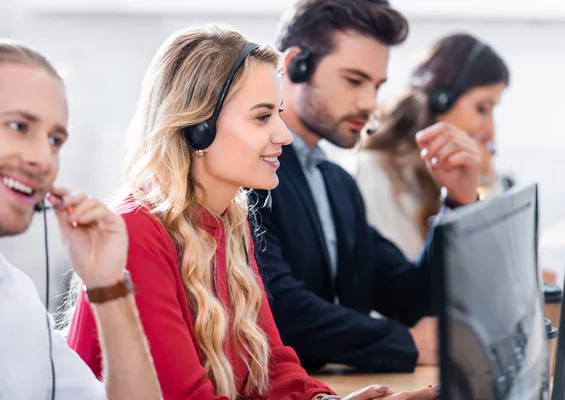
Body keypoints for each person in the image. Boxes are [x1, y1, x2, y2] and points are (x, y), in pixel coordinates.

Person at [64, 26, 440, 400]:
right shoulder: (137, 232)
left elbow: (273, 365)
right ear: (199, 126)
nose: (284, 135)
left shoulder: (229, 221)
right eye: (262, 117)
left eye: (278, 113)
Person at [250, 0, 482, 374]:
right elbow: (280, 310)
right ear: (294, 65)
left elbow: (410, 296)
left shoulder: (336, 183)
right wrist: (406, 342)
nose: (370, 103)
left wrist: (456, 201)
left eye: (377, 86)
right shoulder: (253, 174)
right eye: (354, 80)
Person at [0, 40, 161, 399]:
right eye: (19, 126)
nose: (44, 159)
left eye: (55, 140)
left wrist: (108, 286)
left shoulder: (15, 298)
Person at [357, 33, 510, 258]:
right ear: (441, 100)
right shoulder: (377, 174)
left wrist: (484, 182)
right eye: (481, 109)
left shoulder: (449, 170)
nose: (490, 131)